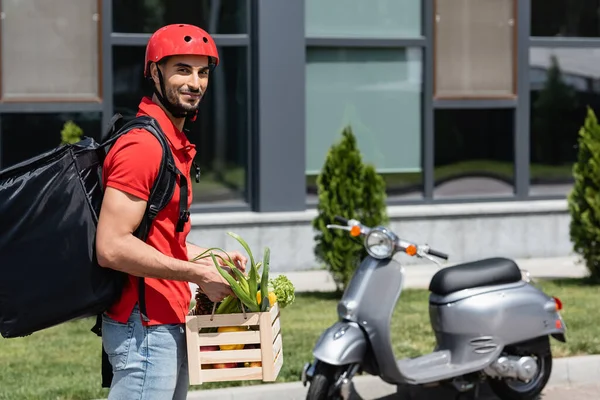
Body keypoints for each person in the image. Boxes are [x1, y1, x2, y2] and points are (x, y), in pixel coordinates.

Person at [95, 24, 247, 399]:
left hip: (166, 320)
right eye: (182, 69)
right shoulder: (143, 147)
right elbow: (111, 246)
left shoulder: (171, 143)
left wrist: (212, 260)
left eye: (203, 72)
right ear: (154, 72)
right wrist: (196, 273)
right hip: (144, 329)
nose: (195, 83)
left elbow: (158, 238)